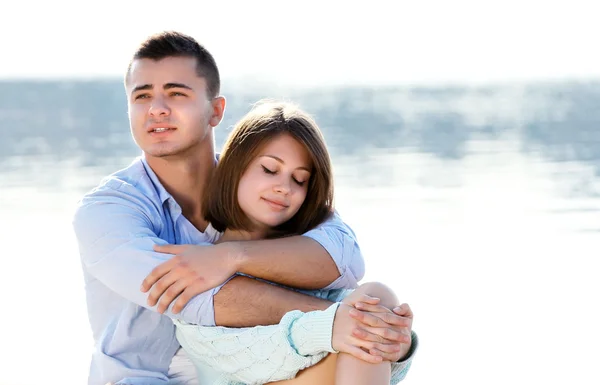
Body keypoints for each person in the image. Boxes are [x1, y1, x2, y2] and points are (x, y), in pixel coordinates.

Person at [72, 31, 412, 385]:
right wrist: (343, 321)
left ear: (215, 110)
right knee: (365, 324)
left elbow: (344, 259)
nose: (157, 108)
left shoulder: (260, 185)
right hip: (147, 380)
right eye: (142, 96)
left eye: (176, 93)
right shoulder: (106, 212)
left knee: (376, 300)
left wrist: (231, 256)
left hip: (262, 371)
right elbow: (196, 298)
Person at [143, 99, 417, 384]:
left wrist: (395, 339)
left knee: (375, 299)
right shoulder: (198, 269)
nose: (284, 188)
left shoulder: (304, 265)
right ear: (236, 168)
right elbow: (249, 356)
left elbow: (364, 323)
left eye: (299, 180)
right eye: (270, 170)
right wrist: (334, 326)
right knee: (365, 316)